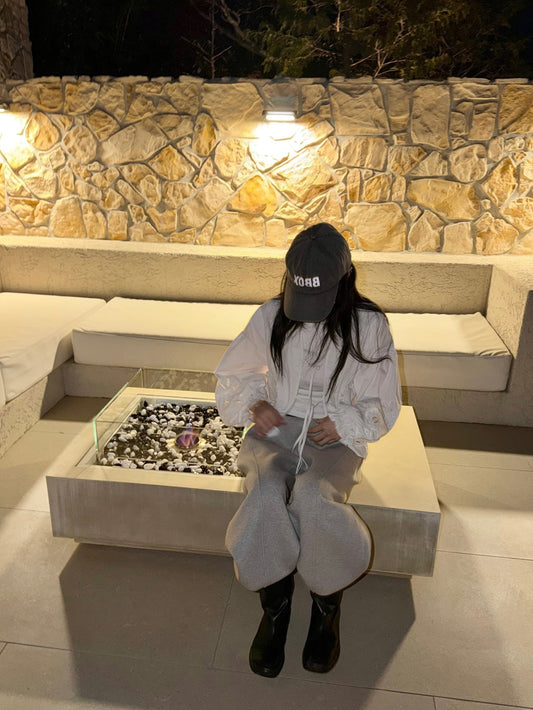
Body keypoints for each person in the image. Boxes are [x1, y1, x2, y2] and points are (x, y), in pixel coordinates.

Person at [214, 222, 401, 678]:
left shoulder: (369, 324)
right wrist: (256, 403)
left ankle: (326, 605)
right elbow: (236, 371)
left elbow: (382, 400)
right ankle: (275, 608)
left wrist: (343, 422)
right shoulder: (271, 315)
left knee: (314, 496)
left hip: (334, 432)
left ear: (344, 279)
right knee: (264, 494)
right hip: (276, 425)